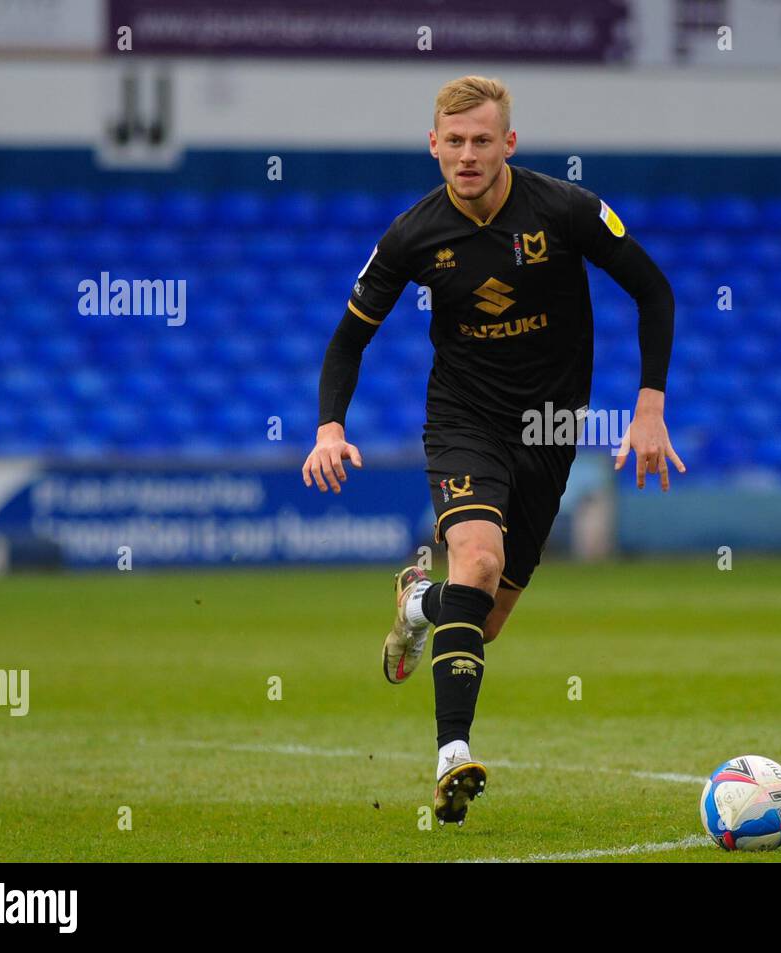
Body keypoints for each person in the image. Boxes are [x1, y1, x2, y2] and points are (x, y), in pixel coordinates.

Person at [302, 75, 683, 826]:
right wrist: (328, 428)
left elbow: (654, 290)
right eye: (455, 141)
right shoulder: (413, 235)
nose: (467, 155)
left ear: (509, 142)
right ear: (433, 144)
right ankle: (452, 755)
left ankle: (416, 602)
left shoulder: (566, 209)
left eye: (483, 140)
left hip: (549, 426)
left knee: (481, 618)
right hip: (464, 419)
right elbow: (350, 337)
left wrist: (649, 407)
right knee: (474, 563)